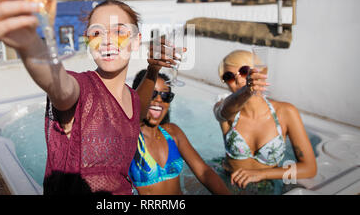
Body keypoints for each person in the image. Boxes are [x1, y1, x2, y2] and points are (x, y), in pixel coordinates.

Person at [0, 0, 175, 194]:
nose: (107, 41)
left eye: (119, 32)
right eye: (96, 34)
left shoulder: (131, 99)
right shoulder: (81, 88)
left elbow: (139, 111)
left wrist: (153, 70)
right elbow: (58, 85)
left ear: (136, 42)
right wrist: (29, 44)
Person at [213, 50, 317, 194]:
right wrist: (247, 91)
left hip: (267, 185)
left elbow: (309, 168)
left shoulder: (286, 112)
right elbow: (223, 113)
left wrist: (262, 174)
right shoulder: (224, 109)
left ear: (260, 73)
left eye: (244, 71)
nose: (238, 80)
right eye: (229, 76)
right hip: (226, 180)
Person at [129, 69, 231, 195]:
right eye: (152, 94)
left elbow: (204, 172)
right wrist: (153, 67)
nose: (159, 100)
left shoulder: (173, 133)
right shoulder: (129, 138)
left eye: (165, 95)